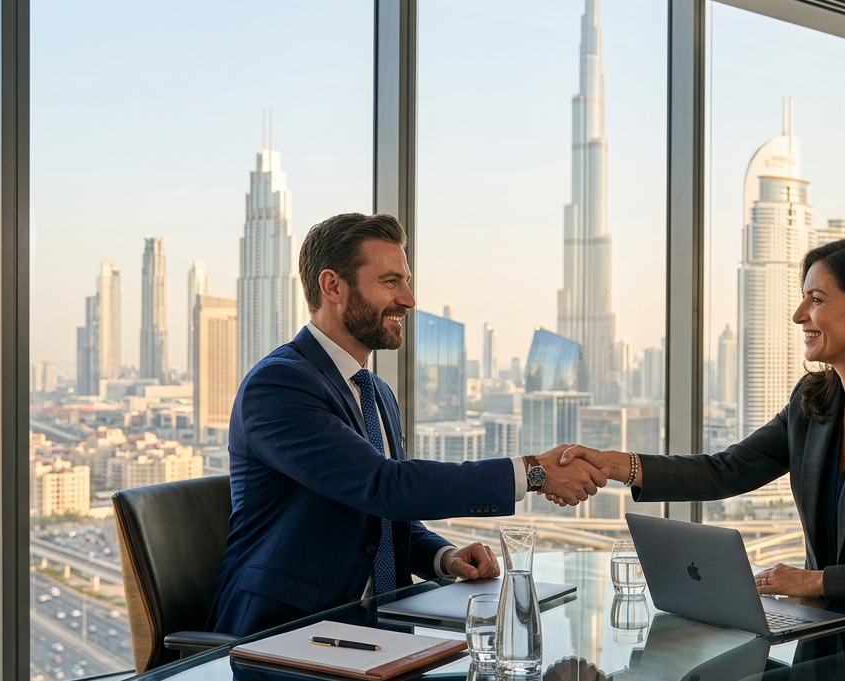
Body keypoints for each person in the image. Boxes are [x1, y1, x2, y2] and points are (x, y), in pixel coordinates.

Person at [559, 237, 845, 632]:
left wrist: (815, 581)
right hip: (837, 628)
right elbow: (727, 470)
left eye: (816, 299)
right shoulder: (814, 402)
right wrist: (614, 465)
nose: (799, 315)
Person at [207, 213, 606, 637]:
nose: (409, 300)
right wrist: (533, 472)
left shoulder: (375, 391)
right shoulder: (279, 384)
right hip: (283, 635)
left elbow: (384, 517)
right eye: (390, 282)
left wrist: (443, 557)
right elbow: (384, 486)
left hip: (380, 632)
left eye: (406, 282)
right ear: (333, 286)